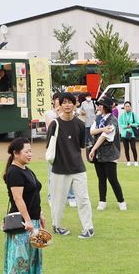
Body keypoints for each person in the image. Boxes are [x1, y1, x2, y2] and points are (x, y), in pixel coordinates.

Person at [45, 93, 95, 238]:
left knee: (83, 199)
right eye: (64, 102)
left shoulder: (80, 124)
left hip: (78, 168)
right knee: (58, 201)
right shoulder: (55, 124)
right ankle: (57, 225)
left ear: (75, 105)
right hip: (59, 169)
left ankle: (88, 228)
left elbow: (80, 145)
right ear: (59, 105)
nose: (67, 105)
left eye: (70, 102)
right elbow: (49, 146)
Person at [88, 98, 125, 211]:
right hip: (99, 154)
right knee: (101, 178)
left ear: (105, 107)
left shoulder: (113, 120)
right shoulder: (98, 118)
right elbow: (92, 131)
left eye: (100, 105)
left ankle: (121, 201)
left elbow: (105, 136)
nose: (98, 107)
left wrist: (93, 149)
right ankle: (102, 201)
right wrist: (103, 128)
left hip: (110, 153)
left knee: (112, 179)